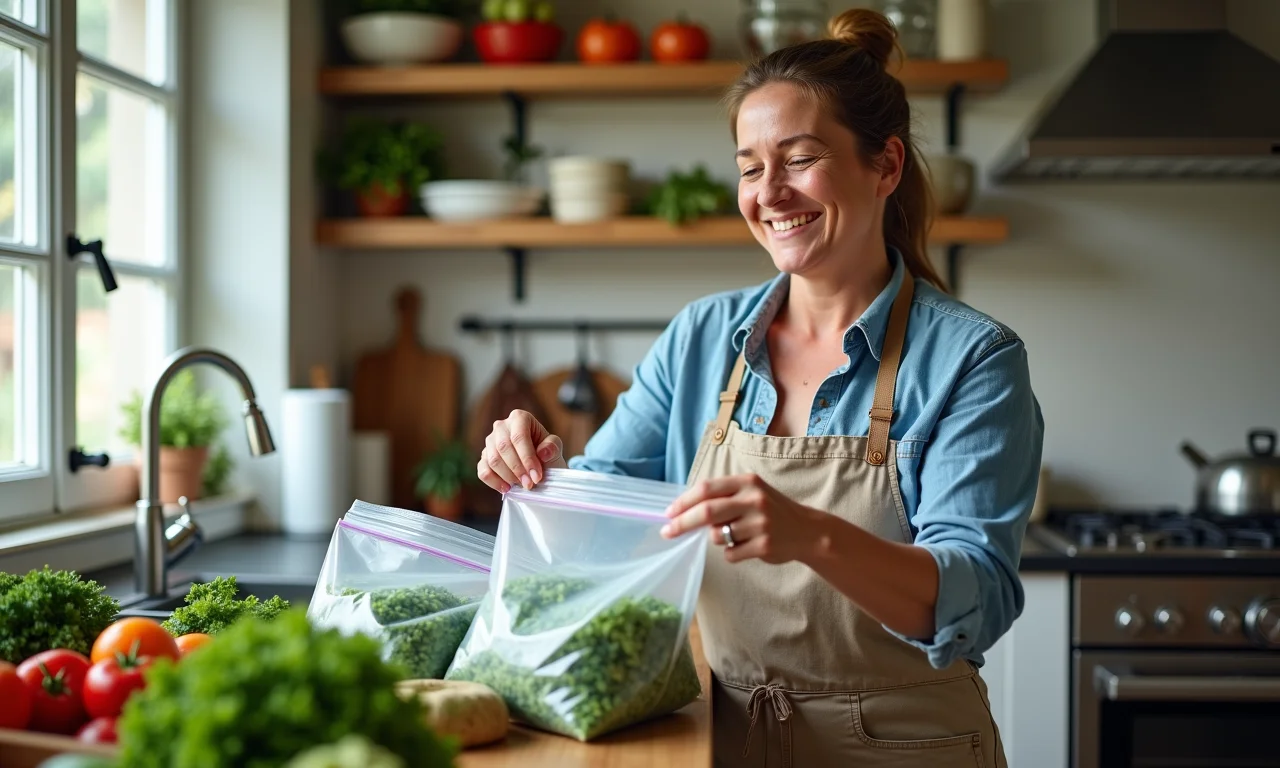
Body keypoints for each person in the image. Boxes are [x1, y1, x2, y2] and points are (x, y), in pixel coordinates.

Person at [476, 8, 1042, 766]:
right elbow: (601, 518)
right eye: (748, 167)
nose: (769, 192)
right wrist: (536, 474)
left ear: (887, 166)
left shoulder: (973, 360)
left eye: (799, 158)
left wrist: (812, 534)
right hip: (721, 737)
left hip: (907, 747)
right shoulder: (701, 339)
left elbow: (975, 597)